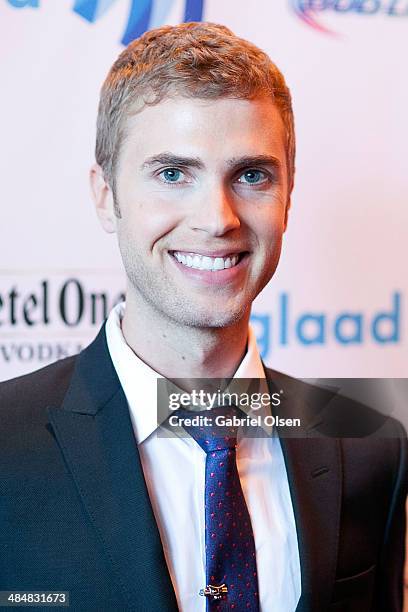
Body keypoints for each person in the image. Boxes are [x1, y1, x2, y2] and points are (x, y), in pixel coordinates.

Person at [0, 22, 406, 612]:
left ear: (288, 196)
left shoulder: (368, 446)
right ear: (105, 196)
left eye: (251, 175)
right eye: (172, 174)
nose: (217, 218)